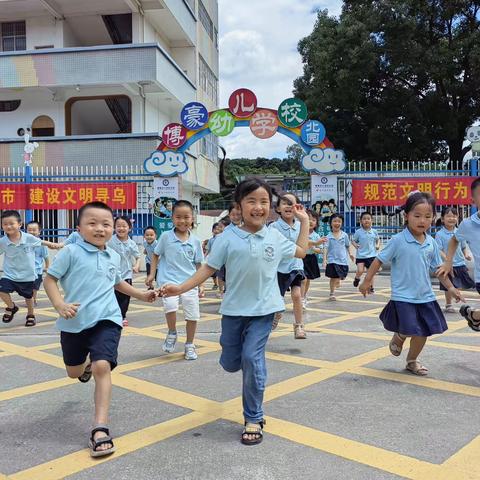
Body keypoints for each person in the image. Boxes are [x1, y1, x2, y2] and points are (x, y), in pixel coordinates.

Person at [161, 178, 309, 445]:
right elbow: (207, 269)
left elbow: (301, 250)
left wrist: (304, 222)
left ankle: (254, 417)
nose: (258, 207)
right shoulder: (227, 237)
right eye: (251, 201)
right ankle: (243, 365)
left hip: (266, 309)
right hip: (233, 311)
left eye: (264, 201)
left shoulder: (275, 235)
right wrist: (180, 288)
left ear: (271, 207)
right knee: (231, 362)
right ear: (239, 206)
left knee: (253, 359)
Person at [44, 201, 156, 457]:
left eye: (106, 224)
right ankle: (83, 366)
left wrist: (141, 294)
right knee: (74, 372)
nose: (100, 228)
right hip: (74, 322)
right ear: (79, 228)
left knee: (102, 366)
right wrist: (59, 304)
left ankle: (100, 428)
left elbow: (117, 282)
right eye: (92, 223)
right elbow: (50, 279)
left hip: (107, 318)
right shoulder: (71, 252)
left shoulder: (113, 255)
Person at [360, 192, 464, 375]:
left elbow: (439, 270)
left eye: (427, 216)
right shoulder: (398, 240)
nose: (422, 220)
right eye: (416, 216)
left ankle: (412, 360)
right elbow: (378, 260)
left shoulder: (431, 243)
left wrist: (451, 288)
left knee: (422, 332)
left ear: (433, 218)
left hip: (425, 296)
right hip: (403, 296)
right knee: (409, 327)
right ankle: (400, 335)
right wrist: (366, 281)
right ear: (406, 215)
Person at [146, 200, 204, 360]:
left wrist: (201, 285)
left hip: (189, 283)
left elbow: (199, 264)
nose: (182, 221)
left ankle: (190, 345)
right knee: (170, 306)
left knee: (192, 315)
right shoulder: (166, 237)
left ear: (192, 218)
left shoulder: (196, 241)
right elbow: (156, 254)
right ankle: (172, 332)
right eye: (178, 217)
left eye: (186, 217)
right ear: (172, 218)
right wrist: (152, 275)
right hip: (168, 281)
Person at [0, 210, 60, 327]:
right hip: (10, 274)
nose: (8, 226)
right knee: (2, 290)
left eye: (11, 223)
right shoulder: (2, 242)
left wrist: (53, 245)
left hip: (27, 275)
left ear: (20, 224)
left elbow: (41, 242)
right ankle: (12, 307)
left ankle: (30, 315)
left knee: (29, 297)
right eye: (5, 224)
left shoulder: (28, 238)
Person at [438, 178, 480, 329]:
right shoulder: (467, 225)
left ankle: (473, 314)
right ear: (473, 201)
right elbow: (454, 241)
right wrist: (448, 262)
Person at [271, 193, 307, 339]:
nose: (288, 206)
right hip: (278, 269)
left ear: (298, 207)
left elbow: (305, 243)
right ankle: (276, 315)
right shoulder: (273, 227)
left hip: (296, 266)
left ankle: (299, 326)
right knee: (278, 300)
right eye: (284, 203)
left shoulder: (301, 225)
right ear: (278, 209)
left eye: (292, 203)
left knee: (297, 295)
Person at [434, 207, 475, 313]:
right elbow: (438, 250)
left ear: (457, 218)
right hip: (447, 265)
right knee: (447, 286)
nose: (451, 218)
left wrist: (466, 255)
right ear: (442, 219)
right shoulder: (439, 234)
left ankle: (457, 295)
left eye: (454, 216)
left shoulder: (459, 232)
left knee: (459, 284)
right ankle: (448, 304)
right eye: (448, 216)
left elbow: (463, 246)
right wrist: (447, 259)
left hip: (460, 263)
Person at [108, 216, 141, 327]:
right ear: (114, 228)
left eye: (124, 226)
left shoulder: (131, 243)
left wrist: (136, 266)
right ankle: (112, 315)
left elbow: (137, 256)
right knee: (112, 295)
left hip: (126, 273)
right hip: (111, 274)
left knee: (125, 296)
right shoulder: (110, 241)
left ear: (129, 228)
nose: (121, 228)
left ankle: (122, 316)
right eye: (118, 226)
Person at [323, 214, 354, 300]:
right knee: (333, 277)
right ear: (331, 223)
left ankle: (339, 279)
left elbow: (348, 245)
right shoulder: (328, 236)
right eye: (335, 221)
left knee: (340, 276)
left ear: (342, 223)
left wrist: (351, 254)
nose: (337, 223)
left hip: (342, 260)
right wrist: (324, 260)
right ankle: (332, 293)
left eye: (339, 221)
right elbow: (325, 248)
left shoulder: (344, 235)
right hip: (332, 260)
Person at [352, 211, 381, 292]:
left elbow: (378, 240)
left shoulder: (374, 232)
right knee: (360, 270)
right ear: (361, 221)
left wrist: (378, 245)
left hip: (372, 255)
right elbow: (353, 240)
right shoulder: (358, 232)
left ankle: (371, 287)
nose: (366, 220)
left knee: (371, 273)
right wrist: (355, 245)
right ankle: (357, 278)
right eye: (364, 219)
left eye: (368, 219)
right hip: (360, 255)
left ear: (372, 220)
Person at [301, 211, 324, 309]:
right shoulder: (300, 233)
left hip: (311, 259)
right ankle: (301, 298)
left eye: (313, 220)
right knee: (303, 279)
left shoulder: (316, 236)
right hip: (301, 258)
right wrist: (314, 243)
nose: (311, 222)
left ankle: (304, 295)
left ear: (316, 223)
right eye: (308, 219)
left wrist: (315, 248)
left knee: (308, 279)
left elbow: (321, 250)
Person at [26, 221, 50, 306]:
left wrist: (47, 267)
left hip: (37, 270)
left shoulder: (42, 244)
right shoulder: (24, 243)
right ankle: (30, 299)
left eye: (34, 230)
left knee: (34, 288)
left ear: (39, 231)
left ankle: (34, 300)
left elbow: (46, 257)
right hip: (26, 270)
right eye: (29, 230)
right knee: (27, 287)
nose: (31, 232)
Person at [206, 222, 225, 291]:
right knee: (213, 274)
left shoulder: (223, 239)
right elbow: (208, 249)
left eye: (218, 229)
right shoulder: (211, 240)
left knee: (221, 274)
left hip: (222, 260)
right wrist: (204, 257)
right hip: (213, 259)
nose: (216, 231)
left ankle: (222, 288)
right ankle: (216, 284)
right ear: (212, 230)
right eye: (215, 229)